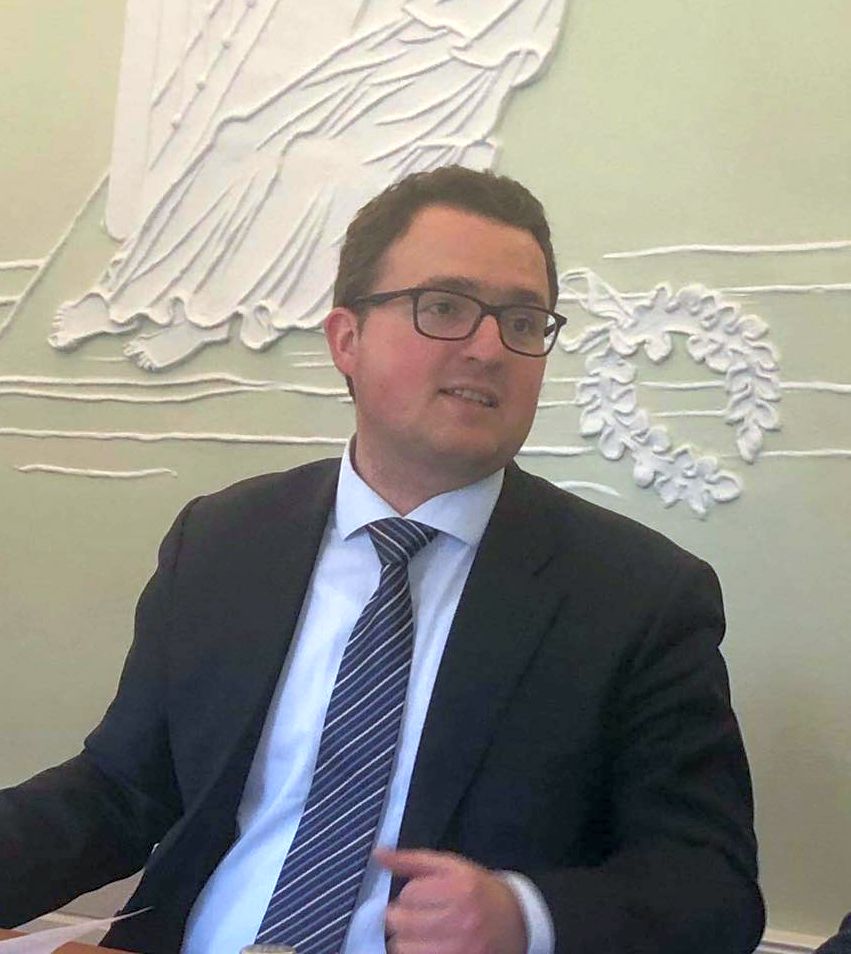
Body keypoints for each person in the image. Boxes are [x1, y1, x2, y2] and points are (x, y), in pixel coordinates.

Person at [0, 166, 765, 954]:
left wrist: (526, 918)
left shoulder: (638, 596)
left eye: (522, 320)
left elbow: (710, 889)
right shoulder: (224, 539)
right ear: (346, 339)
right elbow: (121, 790)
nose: (488, 348)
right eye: (445, 307)